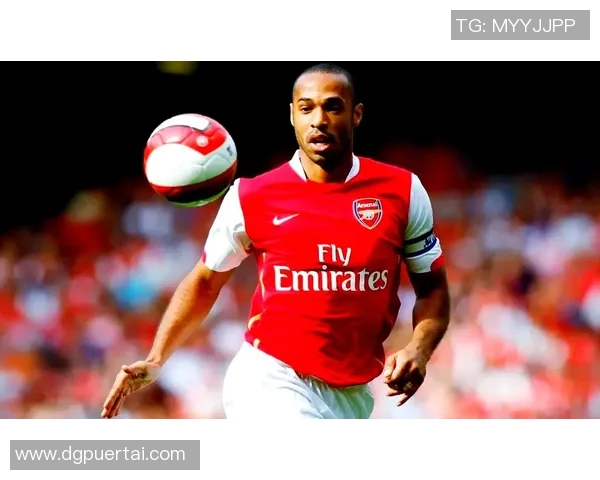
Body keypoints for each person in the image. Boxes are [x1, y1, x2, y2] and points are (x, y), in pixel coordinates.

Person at [101, 63, 451, 420]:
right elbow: (205, 281)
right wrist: (157, 357)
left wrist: (420, 349)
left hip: (352, 396)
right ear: (292, 115)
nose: (319, 120)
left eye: (333, 107)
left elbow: (433, 289)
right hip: (270, 379)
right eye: (306, 108)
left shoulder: (402, 191)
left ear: (356, 114)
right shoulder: (251, 196)